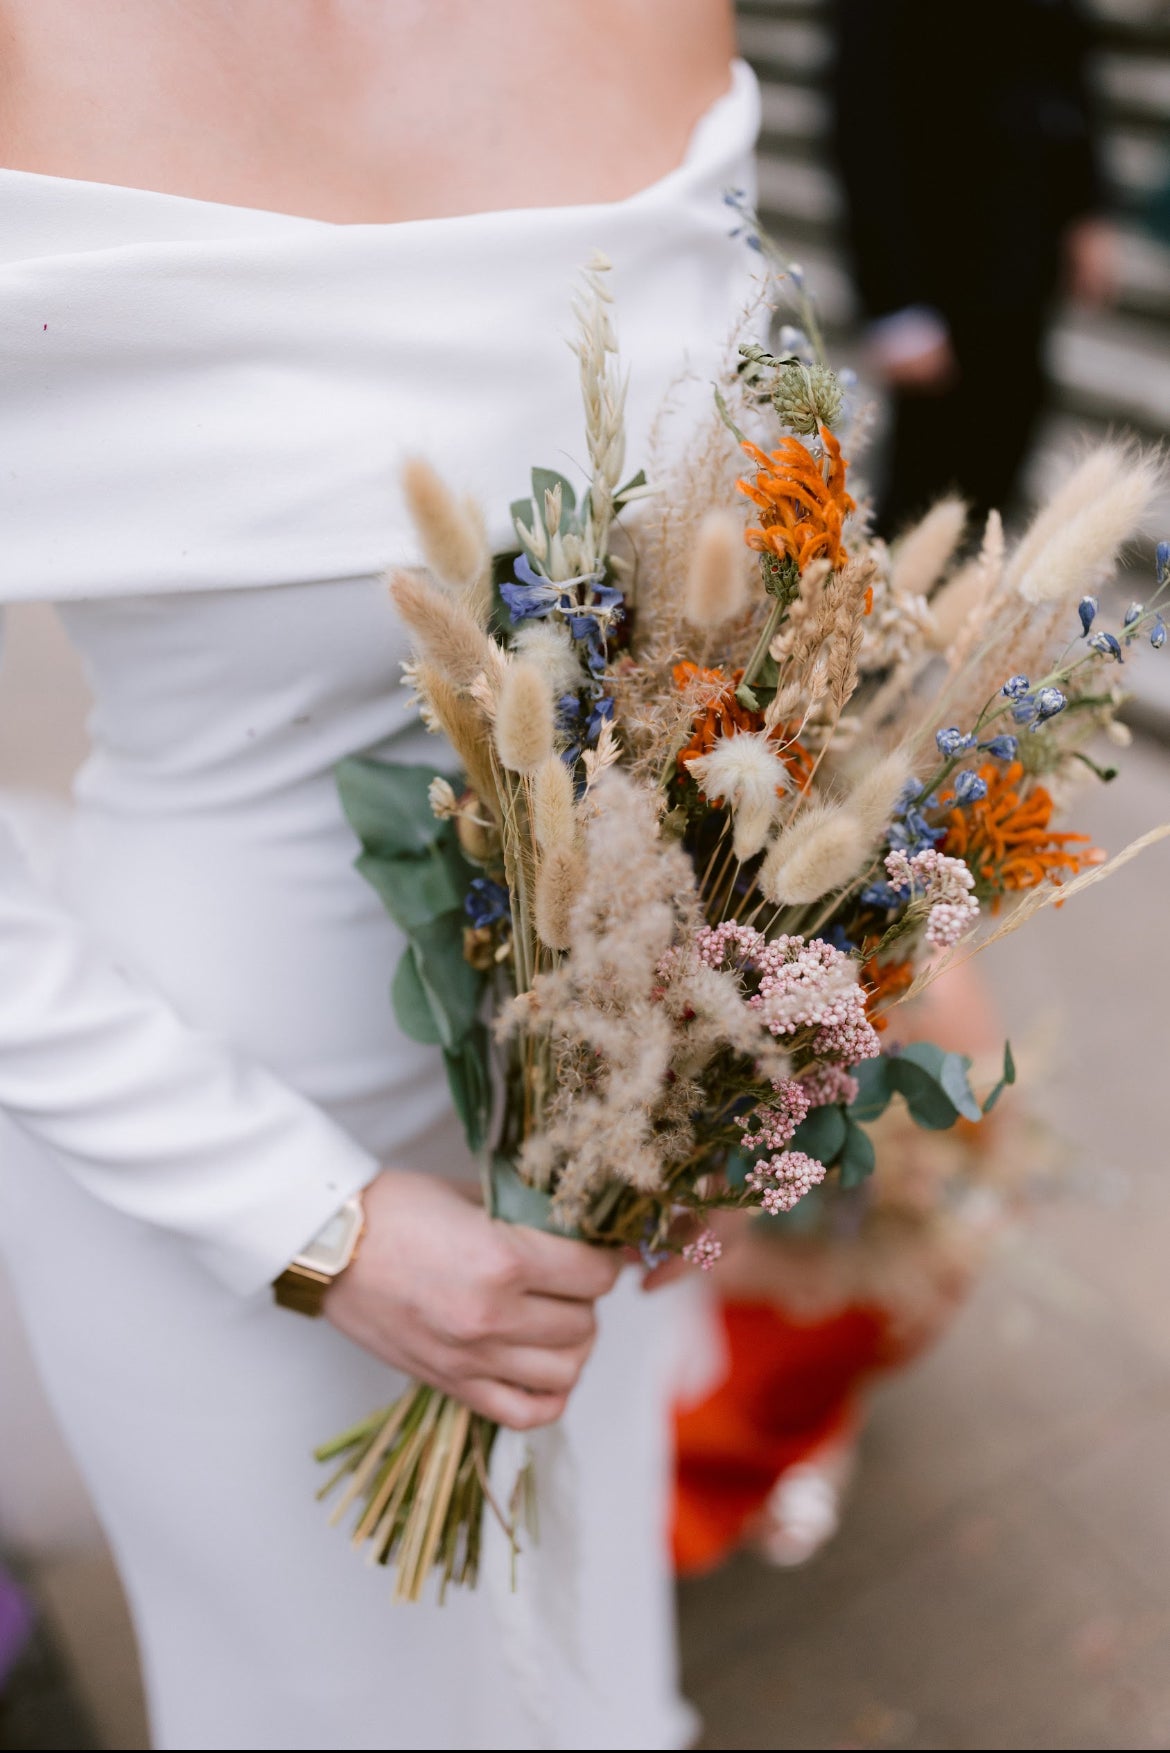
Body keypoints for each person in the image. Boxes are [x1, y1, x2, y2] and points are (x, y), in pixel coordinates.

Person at [0, 4, 755, 1747]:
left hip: (595, 1153)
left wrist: (768, 1004)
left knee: (586, 1687)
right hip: (216, 1168)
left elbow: (764, 519)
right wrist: (309, 1227)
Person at [831, 0, 1115, 534]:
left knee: (1007, 441)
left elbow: (1064, 58)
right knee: (923, 483)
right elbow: (863, 114)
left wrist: (1087, 206)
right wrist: (894, 303)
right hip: (934, 245)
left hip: (1026, 242)